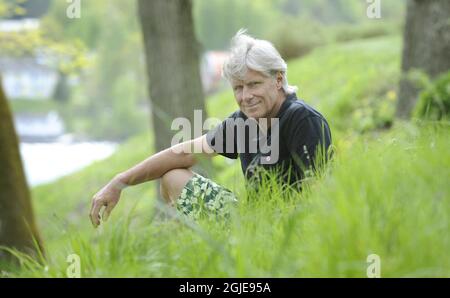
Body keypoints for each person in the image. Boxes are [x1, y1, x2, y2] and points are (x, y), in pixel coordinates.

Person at [89, 29, 332, 227]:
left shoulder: (301, 119)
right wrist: (118, 182)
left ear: (278, 80)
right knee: (172, 176)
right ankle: (200, 250)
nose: (246, 96)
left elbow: (321, 195)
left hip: (287, 228)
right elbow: (183, 153)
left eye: (254, 84)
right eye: (238, 88)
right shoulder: (244, 122)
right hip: (251, 221)